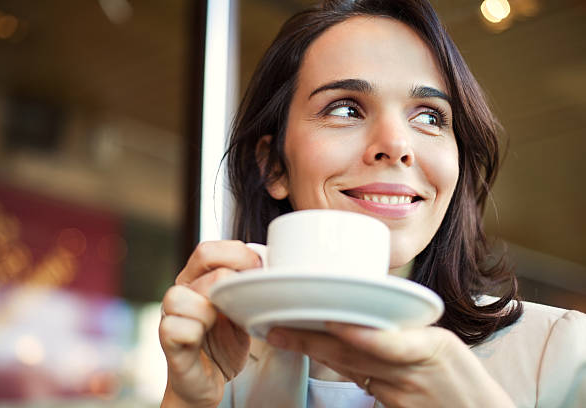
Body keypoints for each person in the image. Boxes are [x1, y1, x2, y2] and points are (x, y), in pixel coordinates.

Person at [159, 1, 586, 407]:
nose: (397, 145)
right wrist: (188, 401)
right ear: (274, 166)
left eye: (430, 116)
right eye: (345, 110)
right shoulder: (226, 369)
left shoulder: (560, 352)